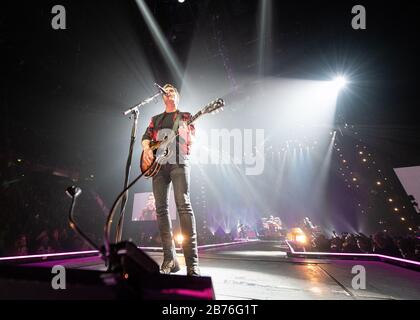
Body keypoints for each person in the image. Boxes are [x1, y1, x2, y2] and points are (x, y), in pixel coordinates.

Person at [141, 83, 200, 276]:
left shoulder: (185, 116)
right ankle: (170, 259)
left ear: (176, 97)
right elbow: (146, 137)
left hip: (179, 162)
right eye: (166, 91)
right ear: (163, 97)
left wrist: (186, 133)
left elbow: (190, 140)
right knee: (160, 210)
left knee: (183, 205)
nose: (169, 92)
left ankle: (192, 264)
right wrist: (147, 149)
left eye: (172, 90)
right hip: (158, 165)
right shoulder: (155, 119)